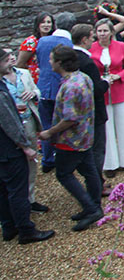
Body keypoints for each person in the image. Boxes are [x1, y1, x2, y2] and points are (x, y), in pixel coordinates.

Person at [37, 46, 102, 231]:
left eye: (51, 60)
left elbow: (70, 118)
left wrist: (49, 132)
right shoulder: (84, 78)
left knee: (63, 174)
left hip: (71, 141)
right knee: (89, 171)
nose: (49, 63)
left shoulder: (70, 86)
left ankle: (91, 209)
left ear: (60, 63)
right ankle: (94, 206)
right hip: (86, 136)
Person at [0, 48, 53, 244]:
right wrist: (25, 147)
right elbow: (9, 122)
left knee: (4, 190)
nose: (10, 61)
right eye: (5, 60)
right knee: (17, 190)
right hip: (8, 150)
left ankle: (9, 226)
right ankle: (26, 230)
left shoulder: (18, 77)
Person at [90, 19, 124, 177]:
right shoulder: (91, 48)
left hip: (120, 90)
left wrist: (119, 76)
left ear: (111, 32)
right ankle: (110, 164)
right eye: (99, 31)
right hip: (102, 94)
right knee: (107, 129)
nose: (102, 34)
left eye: (104, 31)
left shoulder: (121, 46)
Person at [70, 24, 108, 188]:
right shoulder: (87, 62)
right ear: (84, 39)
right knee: (97, 150)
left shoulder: (70, 57)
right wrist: (106, 82)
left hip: (78, 113)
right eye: (92, 37)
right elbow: (96, 89)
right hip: (93, 113)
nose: (94, 40)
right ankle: (97, 184)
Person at [34, 13, 73, 171]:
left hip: (43, 88)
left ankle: (47, 161)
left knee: (45, 125)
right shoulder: (68, 43)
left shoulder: (42, 41)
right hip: (61, 89)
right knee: (62, 125)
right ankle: (64, 159)